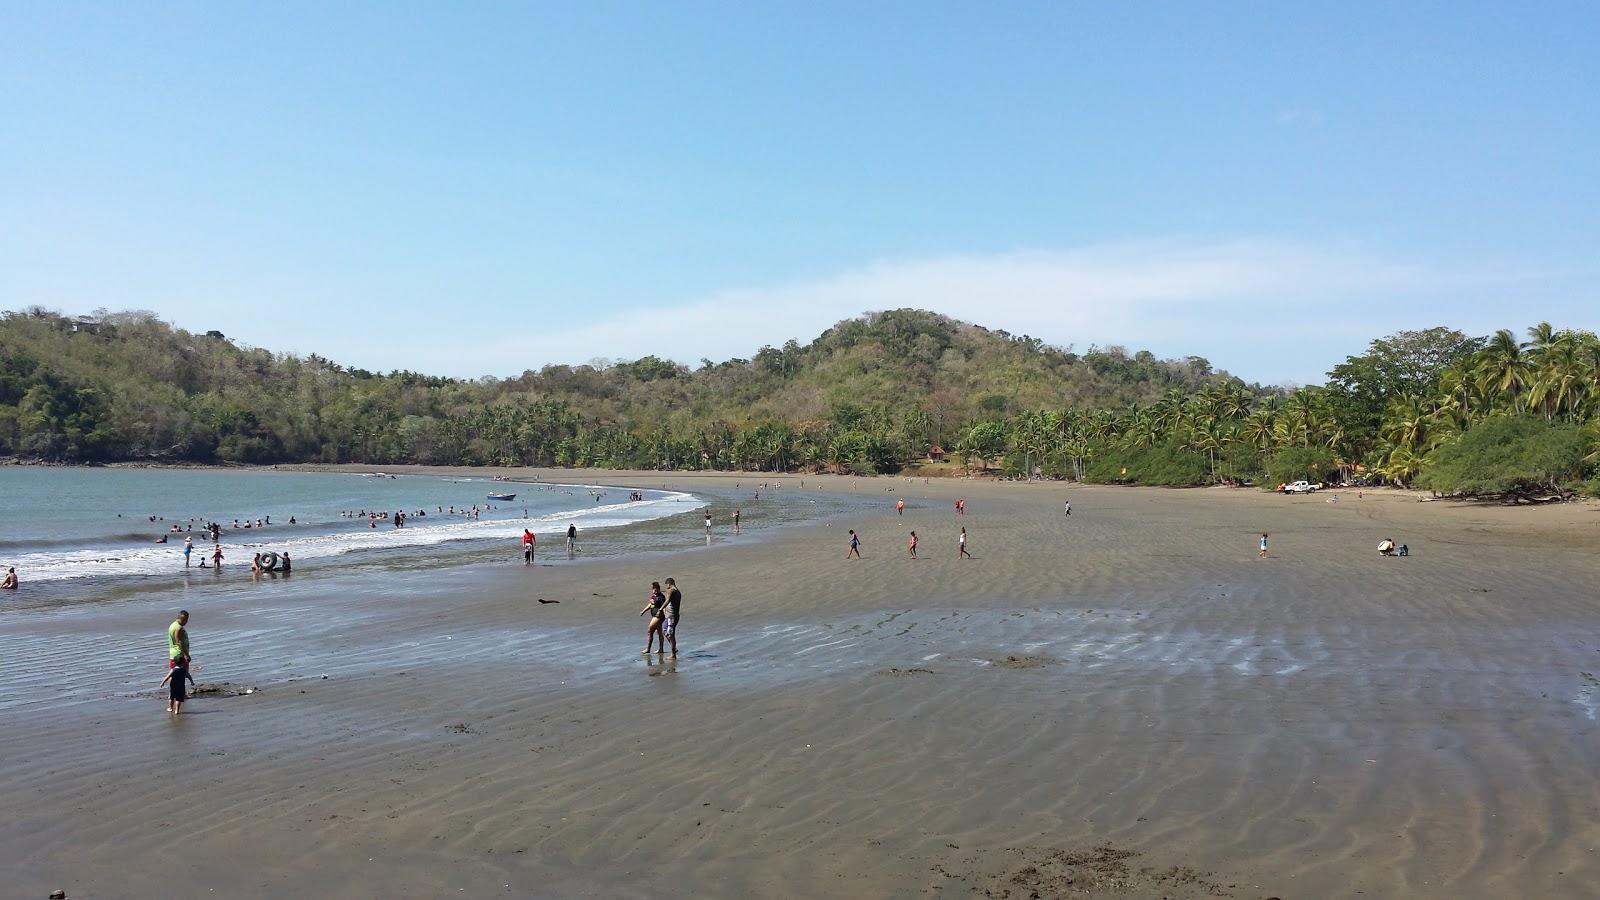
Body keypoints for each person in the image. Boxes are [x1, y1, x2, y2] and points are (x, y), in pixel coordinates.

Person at [640, 582, 667, 654]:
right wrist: (643, 611)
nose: (656, 591)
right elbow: (650, 604)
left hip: (658, 616)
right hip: (654, 616)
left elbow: (664, 606)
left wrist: (665, 616)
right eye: (654, 590)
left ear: (659, 589)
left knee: (650, 630)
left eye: (657, 590)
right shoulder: (653, 596)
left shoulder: (661, 597)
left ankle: (648, 649)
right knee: (659, 633)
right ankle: (661, 649)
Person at [663, 577, 682, 658]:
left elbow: (667, 601)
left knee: (670, 634)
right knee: (665, 632)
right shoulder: (677, 591)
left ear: (669, 584)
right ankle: (674, 648)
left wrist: (661, 608)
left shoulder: (672, 590)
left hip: (672, 616)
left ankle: (673, 654)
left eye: (666, 585)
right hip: (669, 616)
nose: (666, 587)